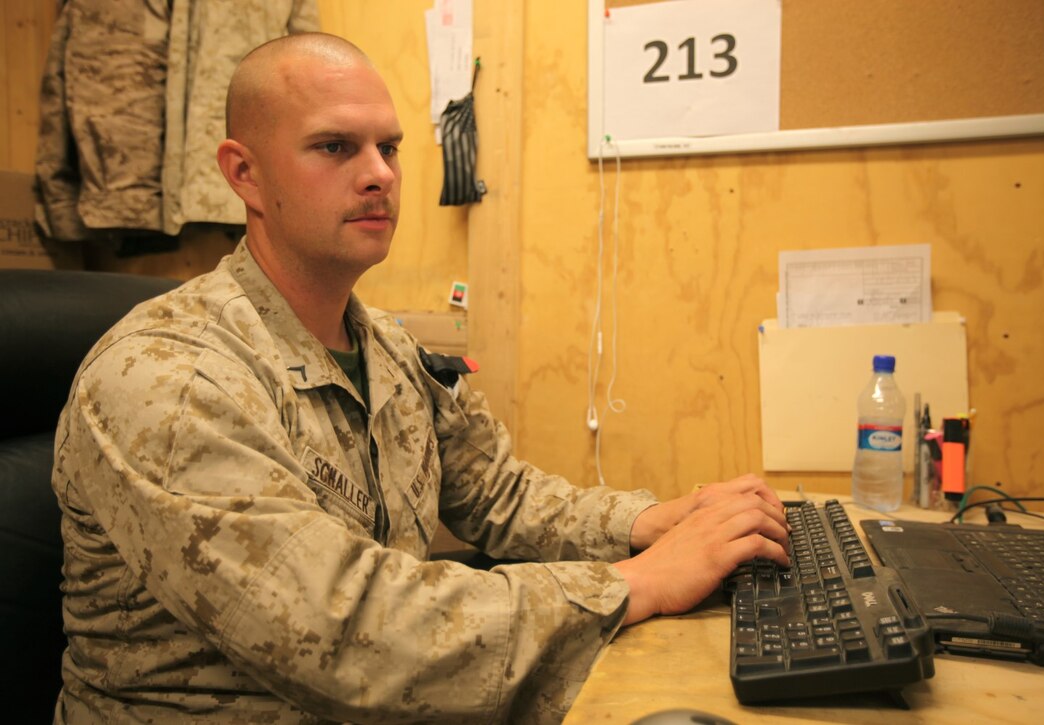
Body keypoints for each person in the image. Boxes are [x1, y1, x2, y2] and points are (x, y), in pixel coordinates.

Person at [51, 32, 790, 724]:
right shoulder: (168, 379)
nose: (378, 173)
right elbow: (344, 628)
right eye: (335, 146)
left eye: (390, 147)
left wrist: (648, 523)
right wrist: (636, 581)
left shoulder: (386, 348)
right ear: (244, 174)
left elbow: (498, 495)